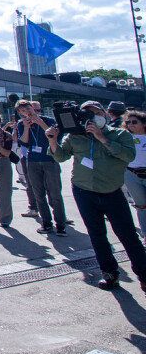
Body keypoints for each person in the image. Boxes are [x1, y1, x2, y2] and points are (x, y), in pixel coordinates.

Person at [47, 101, 146, 290]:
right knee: (97, 235)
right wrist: (52, 140)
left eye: (97, 112)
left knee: (128, 235)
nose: (93, 116)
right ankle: (109, 274)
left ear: (105, 114)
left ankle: (144, 274)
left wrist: (101, 138)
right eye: (88, 113)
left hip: (112, 192)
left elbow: (128, 156)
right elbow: (60, 157)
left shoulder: (120, 134)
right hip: (84, 192)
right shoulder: (75, 136)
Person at [14, 100, 66, 235]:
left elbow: (56, 136)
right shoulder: (21, 124)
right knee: (38, 193)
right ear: (20, 113)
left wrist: (40, 123)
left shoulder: (48, 120)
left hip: (50, 159)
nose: (27, 112)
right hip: (32, 160)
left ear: (33, 108)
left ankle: (61, 224)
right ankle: (46, 223)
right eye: (23, 111)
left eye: (28, 109)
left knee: (54, 193)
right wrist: (26, 127)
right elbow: (24, 142)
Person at [121, 109, 146, 240]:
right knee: (141, 206)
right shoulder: (125, 137)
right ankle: (145, 234)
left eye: (134, 121)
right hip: (132, 174)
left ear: (144, 123)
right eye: (128, 122)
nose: (130, 124)